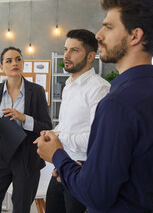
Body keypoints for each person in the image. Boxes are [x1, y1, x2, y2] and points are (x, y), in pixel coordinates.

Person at [35, 0, 153, 213]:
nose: (98, 35)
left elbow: (96, 195)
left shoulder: (118, 101)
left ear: (135, 35)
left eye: (108, 26)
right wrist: (78, 170)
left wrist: (57, 154)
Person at [44, 29, 110, 213]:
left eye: (74, 50)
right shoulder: (68, 86)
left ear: (91, 56)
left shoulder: (100, 89)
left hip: (84, 171)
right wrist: (52, 133)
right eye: (66, 49)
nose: (66, 55)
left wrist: (59, 136)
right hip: (62, 166)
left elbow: (97, 140)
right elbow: (67, 124)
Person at [0, 46, 52, 213]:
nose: (15, 63)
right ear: (1, 66)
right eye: (9, 61)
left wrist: (23, 118)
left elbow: (47, 126)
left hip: (26, 158)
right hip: (0, 155)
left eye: (18, 59)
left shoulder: (37, 91)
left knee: (20, 208)